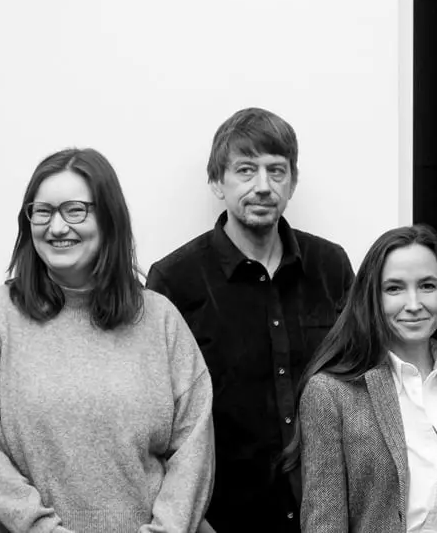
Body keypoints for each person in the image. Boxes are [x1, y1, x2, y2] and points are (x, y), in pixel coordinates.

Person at [0, 147, 215, 533]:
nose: (57, 228)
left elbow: (194, 448)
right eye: (42, 212)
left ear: (109, 218)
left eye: (75, 210)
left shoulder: (160, 319)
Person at [146, 107, 354, 531]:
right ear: (216, 183)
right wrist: (191, 518)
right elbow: (154, 417)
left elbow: (361, 381)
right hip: (221, 519)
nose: (263, 186)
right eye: (245, 170)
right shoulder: (174, 280)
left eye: (276, 171)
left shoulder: (331, 265)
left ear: (292, 183)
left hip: (327, 515)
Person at [293, 224, 437, 533]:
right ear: (373, 300)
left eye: (427, 286)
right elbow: (324, 525)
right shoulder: (330, 394)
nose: (413, 303)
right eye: (394, 288)